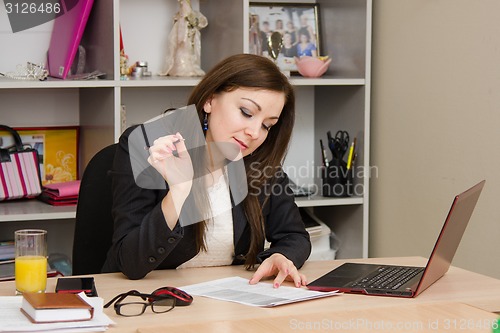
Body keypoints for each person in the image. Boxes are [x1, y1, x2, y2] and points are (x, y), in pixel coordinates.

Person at [102, 54, 312, 289]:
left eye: (267, 125)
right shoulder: (147, 145)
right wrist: (179, 191)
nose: (255, 132)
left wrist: (281, 256)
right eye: (246, 112)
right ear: (210, 100)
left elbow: (295, 236)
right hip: (153, 299)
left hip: (230, 303)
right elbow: (129, 261)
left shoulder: (257, 161)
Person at [160, 0, 208, 76]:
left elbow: (194, 21)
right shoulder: (182, 13)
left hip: (187, 35)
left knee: (187, 51)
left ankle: (186, 68)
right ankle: (182, 68)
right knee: (182, 51)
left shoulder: (187, 12)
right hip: (183, 35)